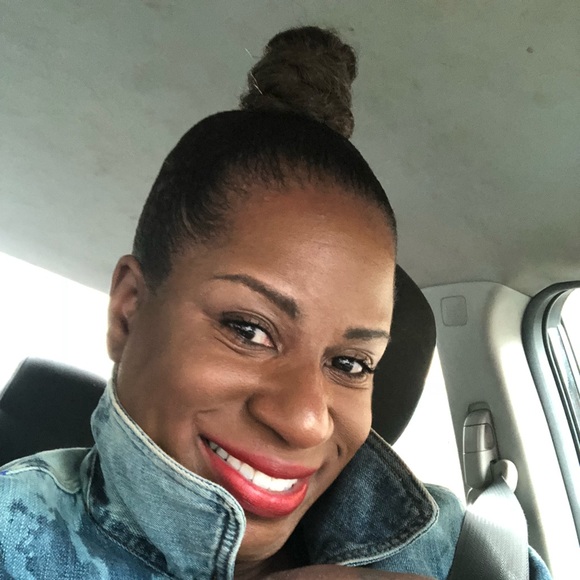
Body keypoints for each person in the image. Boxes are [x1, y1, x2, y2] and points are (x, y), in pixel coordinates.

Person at [0, 26, 552, 580]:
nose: (306, 423)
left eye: (350, 364)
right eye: (248, 330)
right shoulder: (14, 538)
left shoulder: (469, 555)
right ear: (129, 310)